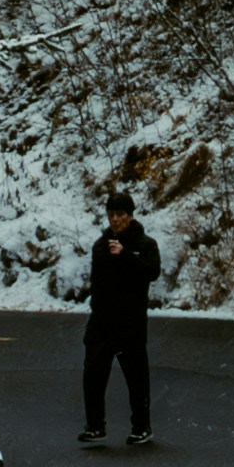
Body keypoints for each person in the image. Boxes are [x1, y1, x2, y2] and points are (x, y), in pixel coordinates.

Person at [78, 182, 164, 451]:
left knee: (136, 378)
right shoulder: (100, 246)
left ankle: (141, 427)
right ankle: (95, 426)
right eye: (111, 214)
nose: (116, 220)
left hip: (130, 323)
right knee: (93, 376)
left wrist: (125, 255)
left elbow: (151, 272)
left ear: (131, 215)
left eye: (121, 214)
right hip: (102, 322)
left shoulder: (146, 245)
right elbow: (97, 284)